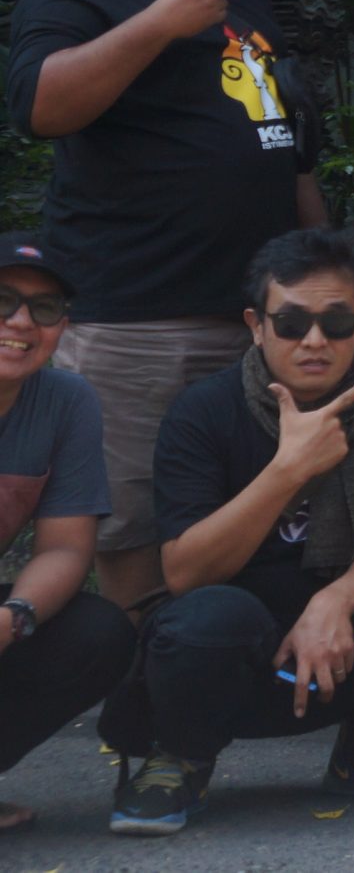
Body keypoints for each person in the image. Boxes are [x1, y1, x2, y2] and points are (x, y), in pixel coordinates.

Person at [7, 0, 324, 610]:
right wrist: (159, 22)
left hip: (255, 313)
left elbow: (285, 141)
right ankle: (142, 680)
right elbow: (40, 106)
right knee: (136, 527)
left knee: (253, 511)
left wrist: (322, 274)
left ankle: (220, 673)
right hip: (137, 315)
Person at [100, 229, 354, 837]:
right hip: (235, 654)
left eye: (335, 323)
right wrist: (288, 470)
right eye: (290, 323)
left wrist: (333, 601)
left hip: (344, 643)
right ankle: (181, 755)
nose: (314, 340)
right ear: (256, 325)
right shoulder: (204, 409)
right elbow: (185, 572)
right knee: (206, 619)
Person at [0, 232, 139, 835]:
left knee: (97, 632)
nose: (21, 322)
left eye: (45, 308)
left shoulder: (65, 400)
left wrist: (12, 618)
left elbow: (65, 548)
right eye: (3, 300)